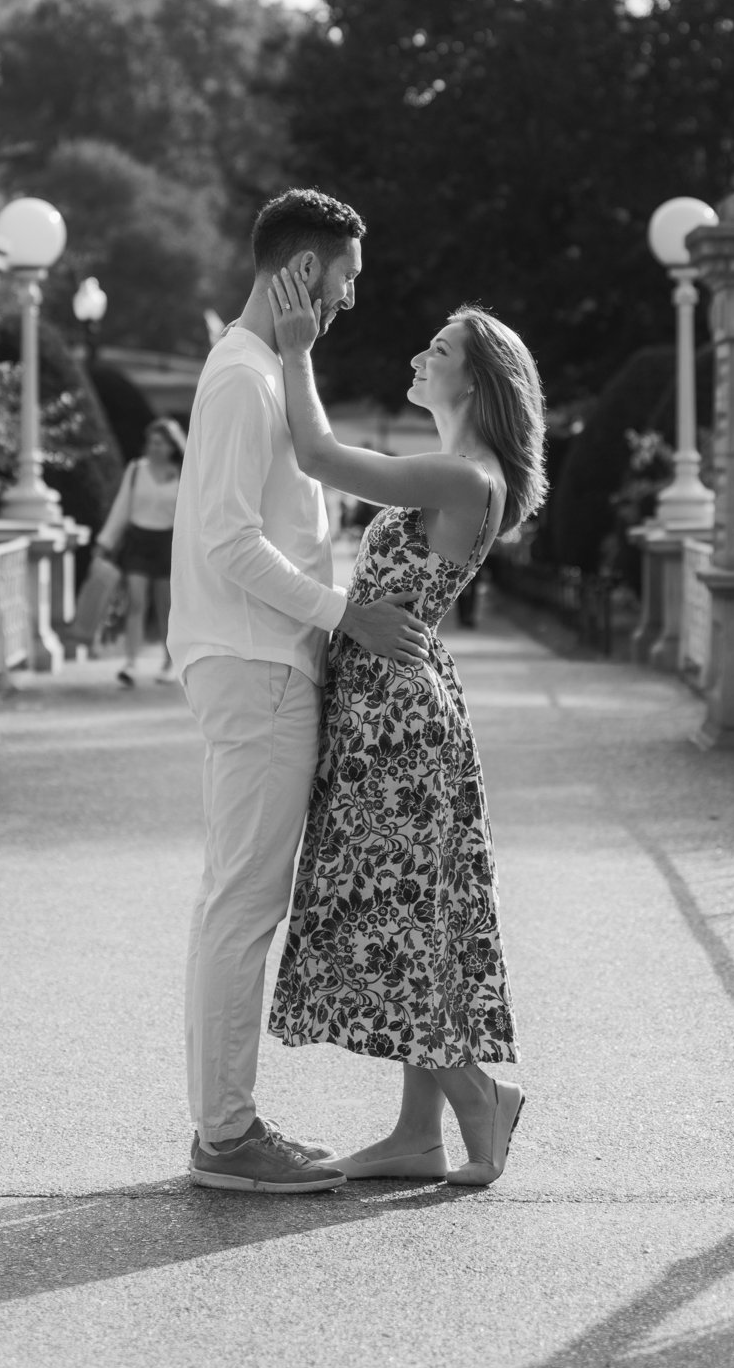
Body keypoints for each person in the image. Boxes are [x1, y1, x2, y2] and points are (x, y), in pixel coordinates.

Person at [170, 189, 433, 1196]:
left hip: (257, 662)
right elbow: (229, 542)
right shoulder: (244, 379)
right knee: (243, 903)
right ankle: (227, 1139)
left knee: (234, 901)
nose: (351, 300)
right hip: (256, 662)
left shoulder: (262, 371)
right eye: (347, 279)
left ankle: (222, 1128)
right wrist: (343, 615)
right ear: (303, 270)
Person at [266, 270, 547, 1187]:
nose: (420, 356)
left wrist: (298, 348)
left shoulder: (461, 475)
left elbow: (317, 454)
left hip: (396, 720)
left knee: (395, 916)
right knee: (410, 919)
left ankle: (478, 1100)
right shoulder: (468, 473)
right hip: (395, 704)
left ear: (473, 382)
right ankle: (416, 1135)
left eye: (439, 350)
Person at [96, 418, 185, 686]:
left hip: (168, 544)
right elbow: (122, 507)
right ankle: (131, 662)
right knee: (135, 602)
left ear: (172, 446)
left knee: (166, 607)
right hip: (138, 542)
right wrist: (105, 542)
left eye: (160, 443)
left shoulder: (184, 472)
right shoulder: (136, 469)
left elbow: (191, 514)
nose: (154, 448)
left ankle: (170, 663)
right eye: (151, 443)